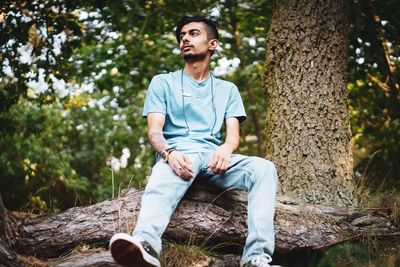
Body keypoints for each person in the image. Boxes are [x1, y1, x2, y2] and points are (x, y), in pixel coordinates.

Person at [109, 15, 280, 267]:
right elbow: (154, 132)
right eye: (182, 36)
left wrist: (226, 149)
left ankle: (256, 258)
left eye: (193, 33)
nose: (185, 39)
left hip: (214, 159)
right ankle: (145, 245)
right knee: (161, 178)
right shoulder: (162, 82)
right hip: (179, 157)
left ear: (212, 44)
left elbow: (233, 134)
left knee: (264, 168)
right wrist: (169, 154)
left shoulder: (228, 90)